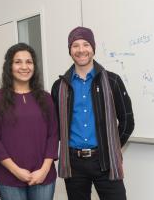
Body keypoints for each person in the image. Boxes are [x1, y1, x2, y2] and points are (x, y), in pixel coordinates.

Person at [51, 26, 135, 200]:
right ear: (70, 50)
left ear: (93, 48)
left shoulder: (112, 81)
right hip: (73, 164)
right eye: (75, 45)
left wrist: (112, 149)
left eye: (86, 44)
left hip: (105, 161)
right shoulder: (59, 87)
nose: (81, 50)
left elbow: (127, 121)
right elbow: (54, 126)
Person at [0, 43, 58, 200]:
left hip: (43, 176)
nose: (24, 67)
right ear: (9, 66)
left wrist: (44, 170)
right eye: (18, 62)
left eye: (29, 62)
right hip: (9, 177)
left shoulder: (46, 98)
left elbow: (53, 134)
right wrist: (17, 171)